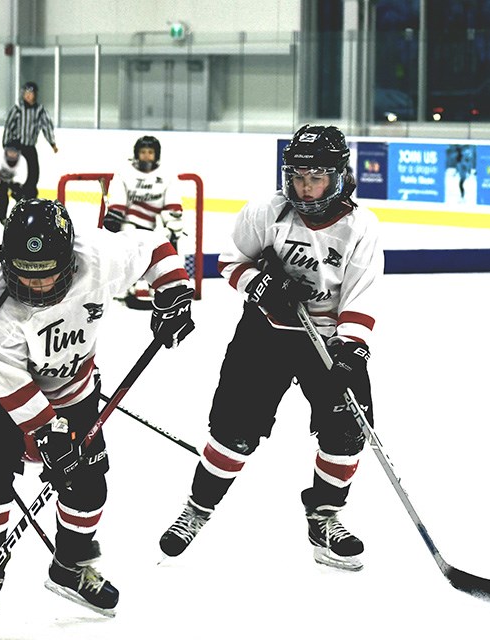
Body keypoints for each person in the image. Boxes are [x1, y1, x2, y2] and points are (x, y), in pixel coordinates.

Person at [0, 197, 195, 637]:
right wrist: (49, 437)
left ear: (69, 258)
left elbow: (156, 247)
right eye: (22, 271)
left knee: (88, 483)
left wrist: (173, 291)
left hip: (75, 391)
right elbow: (15, 387)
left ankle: (71, 565)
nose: (35, 284)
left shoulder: (98, 258)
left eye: (47, 273)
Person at [158, 124, 383, 573]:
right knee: (233, 434)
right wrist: (260, 284)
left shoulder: (360, 227)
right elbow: (229, 262)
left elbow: (361, 294)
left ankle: (324, 519)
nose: (305, 186)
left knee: (347, 434)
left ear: (338, 176)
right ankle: (197, 508)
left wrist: (351, 349)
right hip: (265, 335)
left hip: (328, 340)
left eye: (315, 177)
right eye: (298, 176)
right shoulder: (267, 211)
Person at [103, 135, 185, 309]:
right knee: (125, 244)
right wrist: (114, 217)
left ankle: (161, 287)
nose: (146, 156)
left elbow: (172, 203)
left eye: (150, 152)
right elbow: (119, 199)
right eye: (143, 152)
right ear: (136, 154)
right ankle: (126, 287)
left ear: (157, 155)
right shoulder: (124, 172)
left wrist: (172, 225)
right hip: (130, 222)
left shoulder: (167, 174)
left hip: (157, 224)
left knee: (166, 240)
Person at [0, 81, 58, 201]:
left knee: (34, 172)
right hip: (16, 144)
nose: (27, 95)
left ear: (35, 94)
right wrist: (6, 144)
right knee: (9, 169)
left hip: (30, 145)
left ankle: (28, 192)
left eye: (30, 93)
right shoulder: (18, 109)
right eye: (26, 93)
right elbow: (9, 125)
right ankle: (7, 190)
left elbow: (46, 125)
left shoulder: (39, 110)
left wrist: (52, 143)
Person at [0, 147, 24, 224]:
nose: (12, 154)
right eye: (10, 152)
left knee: (20, 195)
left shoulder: (21, 162)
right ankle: (2, 217)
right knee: (3, 200)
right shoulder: (0, 162)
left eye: (14, 152)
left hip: (10, 181)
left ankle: (20, 214)